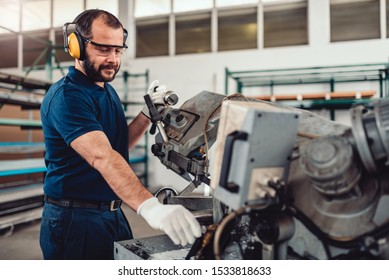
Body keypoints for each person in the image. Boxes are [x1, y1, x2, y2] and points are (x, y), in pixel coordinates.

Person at [39, 9, 201, 260]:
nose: (113, 59)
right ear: (76, 47)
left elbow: (117, 144)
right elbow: (102, 157)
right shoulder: (68, 97)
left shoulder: (106, 91)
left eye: (118, 50)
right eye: (103, 49)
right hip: (75, 220)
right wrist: (149, 207)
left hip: (112, 213)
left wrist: (147, 114)